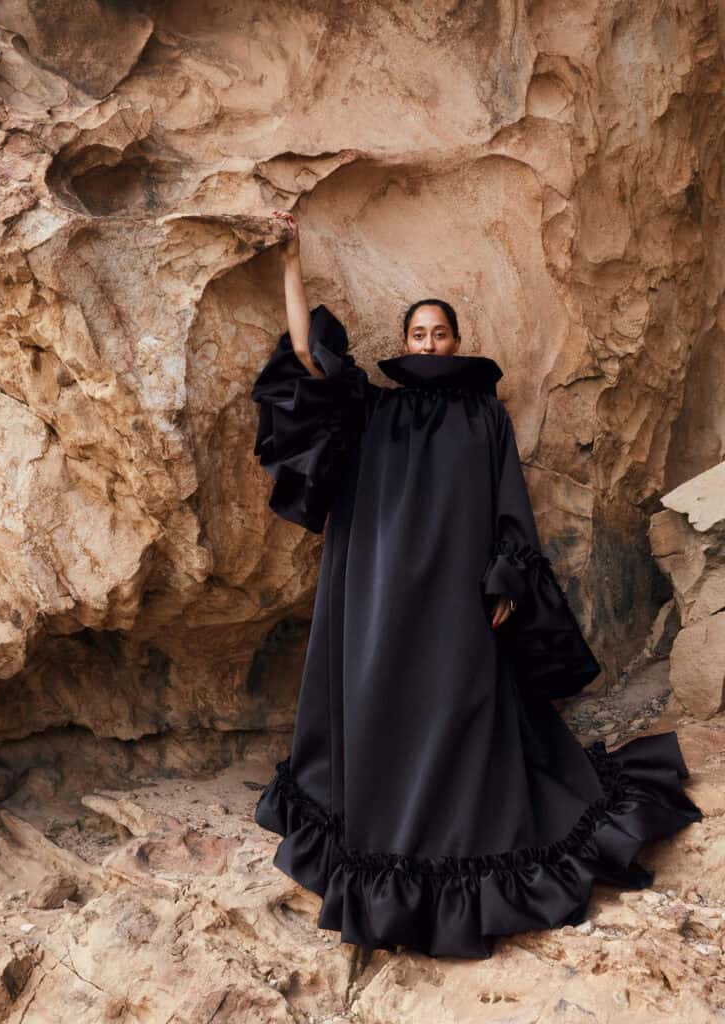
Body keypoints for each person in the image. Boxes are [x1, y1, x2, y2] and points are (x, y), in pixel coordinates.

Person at [250, 209, 704, 959]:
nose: (429, 345)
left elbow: (507, 502)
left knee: (462, 711)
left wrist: (507, 579)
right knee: (383, 709)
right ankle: (387, 836)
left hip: (457, 598)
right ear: (404, 345)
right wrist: (290, 262)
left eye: (440, 334)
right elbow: (304, 356)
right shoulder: (378, 409)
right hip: (379, 596)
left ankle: (461, 842)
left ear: (458, 342)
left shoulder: (484, 418)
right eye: (418, 335)